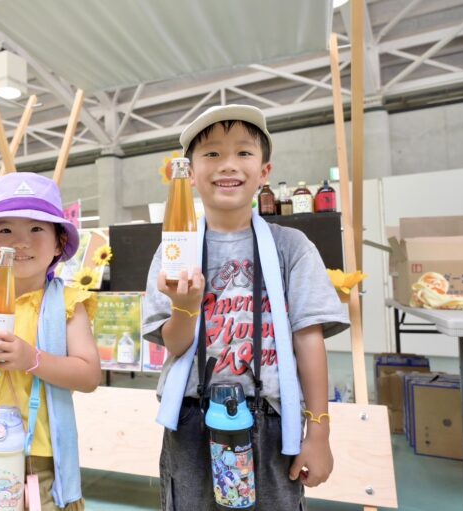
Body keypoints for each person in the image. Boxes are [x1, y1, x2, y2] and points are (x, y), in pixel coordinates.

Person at [143, 104, 349, 510]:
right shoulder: (174, 250)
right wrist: (185, 307)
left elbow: (308, 339)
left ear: (264, 171)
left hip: (271, 419)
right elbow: (175, 345)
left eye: (243, 152)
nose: (228, 164)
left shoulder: (292, 248)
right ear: (189, 173)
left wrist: (319, 432)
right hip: (191, 417)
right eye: (212, 153)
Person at [0, 172, 101, 511]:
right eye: (5, 230)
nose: (20, 242)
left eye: (36, 229)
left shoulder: (69, 303)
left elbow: (89, 376)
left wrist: (32, 359)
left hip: (41, 466)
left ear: (59, 242)